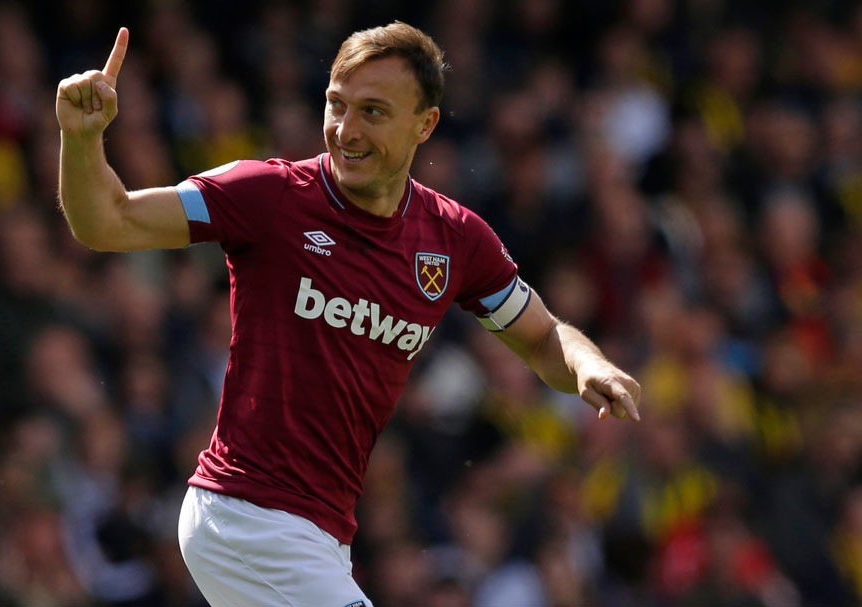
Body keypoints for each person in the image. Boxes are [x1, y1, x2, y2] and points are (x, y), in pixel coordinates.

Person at [56, 22, 641, 607]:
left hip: (321, 534)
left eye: (374, 112)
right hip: (245, 517)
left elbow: (542, 338)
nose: (346, 130)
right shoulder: (269, 196)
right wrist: (81, 141)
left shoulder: (456, 240)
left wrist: (589, 367)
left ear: (425, 124)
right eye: (336, 105)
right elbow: (108, 223)